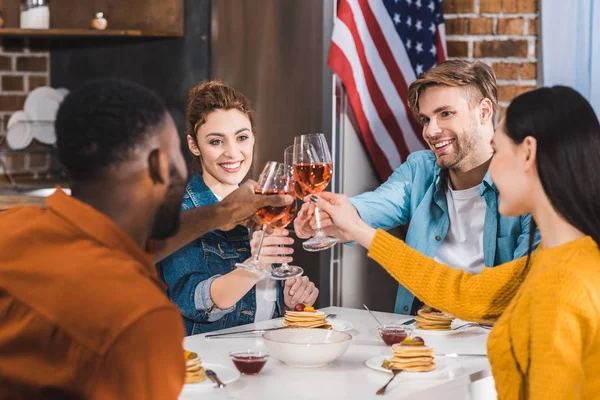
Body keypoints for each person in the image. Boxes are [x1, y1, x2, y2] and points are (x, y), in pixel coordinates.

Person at [311, 86, 600, 399]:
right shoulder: (564, 258)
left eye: (498, 149)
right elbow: (464, 293)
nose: (492, 167)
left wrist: (357, 228)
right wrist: (356, 227)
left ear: (528, 153)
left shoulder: (562, 286)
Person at [295, 59, 540, 315]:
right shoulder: (420, 169)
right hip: (420, 338)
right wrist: (330, 218)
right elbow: (371, 206)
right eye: (425, 119)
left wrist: (354, 227)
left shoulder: (525, 187)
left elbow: (514, 296)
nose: (431, 131)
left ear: (484, 111)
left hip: (487, 342)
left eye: (445, 113)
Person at [0, 79, 190, 399]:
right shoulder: (141, 319)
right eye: (179, 153)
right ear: (158, 164)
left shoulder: (11, 227)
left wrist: (224, 212)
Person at [158, 81, 318, 335]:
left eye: (242, 137)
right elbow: (193, 301)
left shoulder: (265, 205)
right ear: (193, 145)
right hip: (207, 363)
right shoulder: (180, 212)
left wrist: (288, 300)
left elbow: (259, 306)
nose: (232, 153)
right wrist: (256, 267)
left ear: (253, 138)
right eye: (216, 141)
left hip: (262, 356)